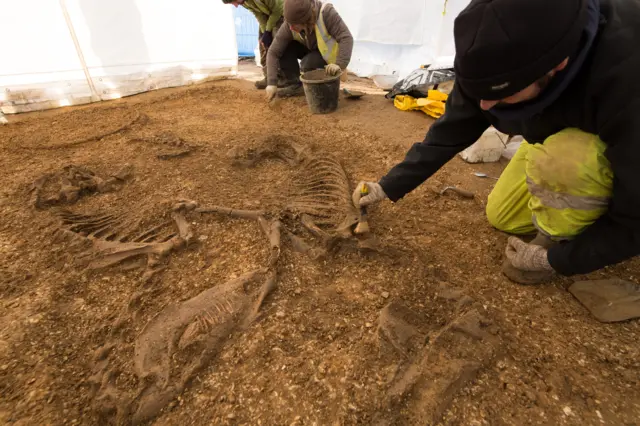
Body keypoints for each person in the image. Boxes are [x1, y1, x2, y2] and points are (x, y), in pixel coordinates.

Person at [353, 0, 640, 285]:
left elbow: (635, 223)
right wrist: (388, 186)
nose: (485, 105)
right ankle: (568, 186)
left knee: (567, 159)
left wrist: (557, 259)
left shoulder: (625, 78)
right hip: (557, 132)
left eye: (501, 95)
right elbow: (450, 131)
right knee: (502, 216)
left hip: (615, 146)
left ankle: (560, 235)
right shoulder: (494, 57)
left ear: (558, 65)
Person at [265, 0, 353, 101]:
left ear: (306, 19)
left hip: (327, 58)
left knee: (308, 63)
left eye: (294, 25)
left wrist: (340, 64)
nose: (291, 28)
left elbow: (346, 37)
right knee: (284, 47)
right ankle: (296, 85)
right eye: (289, 23)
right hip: (310, 49)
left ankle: (320, 84)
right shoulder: (290, 24)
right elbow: (273, 52)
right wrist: (271, 83)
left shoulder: (326, 13)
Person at [222, 0, 284, 89]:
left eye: (234, 1)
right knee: (262, 43)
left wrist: (269, 30)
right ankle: (269, 76)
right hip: (268, 15)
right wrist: (264, 33)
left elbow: (278, 9)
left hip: (281, 13)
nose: (235, 6)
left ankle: (283, 78)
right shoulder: (243, 2)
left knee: (276, 44)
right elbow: (258, 14)